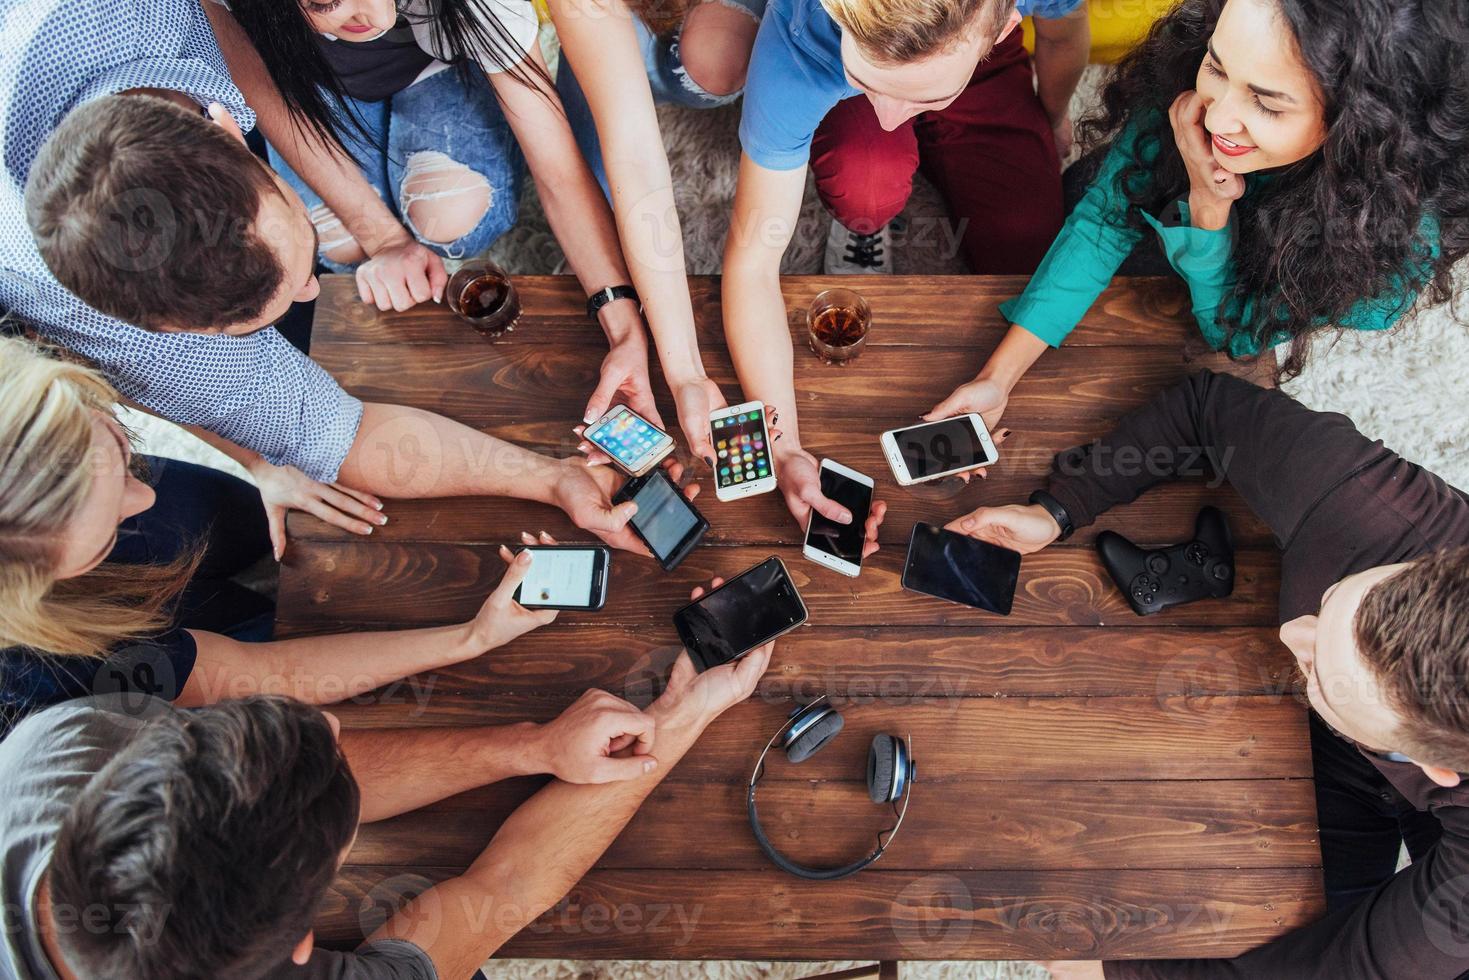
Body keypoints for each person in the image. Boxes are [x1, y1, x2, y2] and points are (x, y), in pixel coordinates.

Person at [2, 0, 664, 557]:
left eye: (298, 268)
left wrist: (380, 237)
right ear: (164, 331)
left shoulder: (152, 14)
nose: (315, 287)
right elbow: (335, 433)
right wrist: (552, 481)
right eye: (248, 322)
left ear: (230, 131)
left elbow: (237, 57)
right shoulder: (87, 321)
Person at [941, 369, 1469, 979]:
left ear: (1435, 767)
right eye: (1329, 605)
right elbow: (1206, 408)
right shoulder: (1368, 507)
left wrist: (1113, 973)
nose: (1289, 633)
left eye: (1320, 671)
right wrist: (1059, 509)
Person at [0, 592, 773, 977]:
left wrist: (533, 746)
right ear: (300, 943)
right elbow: (499, 893)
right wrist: (677, 718)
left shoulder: (57, 743)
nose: (337, 727)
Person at [0, 336, 618, 738]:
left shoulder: (35, 308)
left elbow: (167, 374)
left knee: (244, 522)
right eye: (108, 531)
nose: (146, 499)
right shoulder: (47, 677)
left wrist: (264, 459)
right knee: (271, 633)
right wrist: (469, 638)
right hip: (87, 640)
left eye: (119, 447)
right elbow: (266, 672)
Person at [205, 0, 727, 466]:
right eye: (326, 2)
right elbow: (272, 99)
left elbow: (582, 166)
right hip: (309, 82)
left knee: (449, 217)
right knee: (337, 246)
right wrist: (384, 238)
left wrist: (640, 337)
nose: (361, 11)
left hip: (435, 57)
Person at [926, 0, 1469, 431]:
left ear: (1364, 125)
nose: (1218, 117)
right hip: (1157, 208)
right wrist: (997, 378)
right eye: (1217, 65)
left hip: (1225, 283)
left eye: (1268, 103)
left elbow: (1233, 333)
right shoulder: (1188, 78)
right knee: (1074, 202)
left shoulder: (1393, 247)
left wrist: (1209, 207)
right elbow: (1104, 218)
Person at [721, 0, 1084, 539]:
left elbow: (1063, 35)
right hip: (844, 52)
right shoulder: (801, 34)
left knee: (1028, 253)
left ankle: (917, 89)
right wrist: (787, 447)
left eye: (927, 97)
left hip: (981, 61)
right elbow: (752, 261)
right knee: (866, 190)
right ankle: (869, 124)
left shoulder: (1007, 22)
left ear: (1008, 20)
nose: (889, 117)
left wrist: (1049, 115)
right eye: (866, 81)